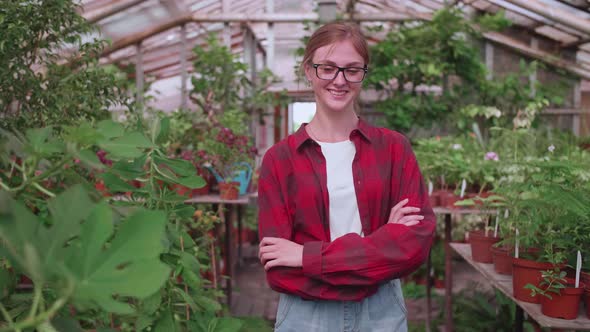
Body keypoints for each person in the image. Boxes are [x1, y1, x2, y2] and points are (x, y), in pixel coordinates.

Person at [257, 21, 435, 332]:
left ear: (364, 73)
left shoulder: (394, 149)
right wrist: (382, 244)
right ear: (309, 70)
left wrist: (306, 257)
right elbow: (280, 271)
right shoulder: (280, 161)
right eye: (327, 68)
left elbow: (413, 246)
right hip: (306, 315)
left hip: (380, 311)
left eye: (352, 70)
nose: (339, 80)